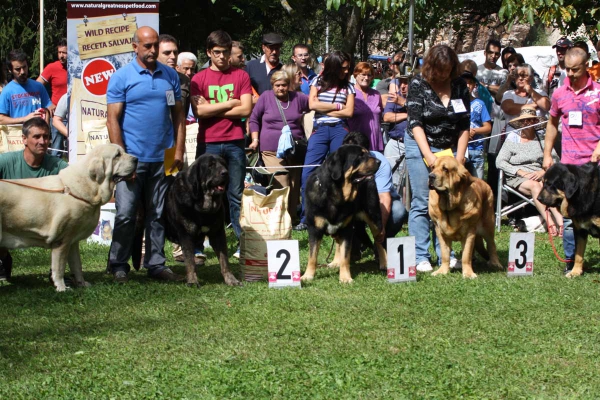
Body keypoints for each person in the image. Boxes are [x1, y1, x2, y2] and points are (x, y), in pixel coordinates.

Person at [106, 26, 186, 283]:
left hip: (163, 159)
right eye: (147, 46)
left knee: (158, 213)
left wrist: (179, 150)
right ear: (135, 47)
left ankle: (156, 265)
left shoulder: (170, 76)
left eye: (155, 46)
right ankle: (118, 264)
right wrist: (122, 161)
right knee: (126, 214)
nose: (152, 51)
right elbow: (112, 121)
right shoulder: (121, 78)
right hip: (132, 160)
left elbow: (178, 117)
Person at [405, 44, 470, 272]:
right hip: (420, 144)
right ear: (431, 66)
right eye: (440, 69)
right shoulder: (418, 84)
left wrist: (459, 157)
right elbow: (415, 123)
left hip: (449, 149)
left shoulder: (460, 85)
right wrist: (428, 156)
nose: (443, 74)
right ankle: (420, 255)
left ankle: (445, 253)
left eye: (448, 69)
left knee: (448, 200)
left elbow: (464, 124)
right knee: (423, 201)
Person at [191, 30, 252, 258]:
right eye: (217, 52)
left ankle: (243, 245)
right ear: (209, 52)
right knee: (201, 194)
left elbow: (246, 109)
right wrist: (231, 103)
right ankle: (197, 247)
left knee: (235, 195)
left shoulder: (241, 76)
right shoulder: (199, 79)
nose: (222, 57)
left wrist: (214, 108)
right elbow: (200, 111)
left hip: (235, 142)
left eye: (226, 52)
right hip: (208, 144)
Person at [543, 47, 600, 274]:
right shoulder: (559, 94)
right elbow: (551, 125)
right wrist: (547, 154)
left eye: (575, 69)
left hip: (595, 165)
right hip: (569, 165)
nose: (570, 73)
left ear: (586, 66)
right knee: (570, 216)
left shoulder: (598, 93)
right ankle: (572, 264)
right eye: (567, 69)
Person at [0, 118, 68, 281]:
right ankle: (2, 260)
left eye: (46, 137)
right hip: (11, 219)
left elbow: (78, 181)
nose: (42, 141)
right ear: (24, 139)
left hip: (45, 221)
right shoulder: (6, 161)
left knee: (70, 223)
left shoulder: (58, 166)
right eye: (36, 137)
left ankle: (57, 271)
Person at [295, 50, 355, 231]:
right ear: (335, 67)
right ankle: (307, 216)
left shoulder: (349, 87)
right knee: (308, 172)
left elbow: (349, 112)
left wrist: (325, 109)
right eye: (344, 68)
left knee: (339, 172)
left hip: (339, 129)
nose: (347, 71)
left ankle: (338, 215)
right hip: (319, 130)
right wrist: (337, 106)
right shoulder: (316, 82)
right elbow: (312, 105)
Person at [248, 70, 309, 224]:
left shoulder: (298, 98)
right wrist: (255, 139)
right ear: (272, 85)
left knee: (294, 183)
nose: (281, 88)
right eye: (277, 85)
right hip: (271, 149)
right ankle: (280, 217)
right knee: (281, 180)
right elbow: (254, 119)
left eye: (284, 85)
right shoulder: (265, 98)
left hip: (294, 148)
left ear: (288, 85)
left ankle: (292, 218)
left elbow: (313, 106)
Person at [496, 106, 562, 236]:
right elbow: (499, 161)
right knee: (535, 185)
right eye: (524, 121)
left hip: (541, 176)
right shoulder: (511, 141)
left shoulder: (543, 141)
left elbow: (555, 160)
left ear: (535, 122)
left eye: (531, 120)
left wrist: (542, 172)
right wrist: (520, 172)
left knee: (545, 186)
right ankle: (551, 222)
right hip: (518, 178)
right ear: (520, 123)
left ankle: (560, 222)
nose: (527, 123)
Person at [342, 131, 406, 240]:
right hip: (353, 204)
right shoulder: (340, 162)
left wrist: (380, 229)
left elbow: (384, 197)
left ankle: (383, 242)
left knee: (398, 211)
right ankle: (353, 243)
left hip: (376, 202)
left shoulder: (380, 162)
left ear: (367, 152)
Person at [0, 49, 52, 125]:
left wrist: (46, 130)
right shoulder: (7, 91)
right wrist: (24, 119)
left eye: (24, 67)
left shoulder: (38, 86)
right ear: (10, 70)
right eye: (18, 69)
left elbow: (47, 109)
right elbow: (1, 119)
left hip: (38, 134)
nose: (22, 72)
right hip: (17, 134)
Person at [37, 39, 68, 155]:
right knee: (56, 149)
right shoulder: (51, 67)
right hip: (57, 115)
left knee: (75, 147)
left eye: (64, 53)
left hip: (75, 113)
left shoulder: (76, 67)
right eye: (59, 52)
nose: (61, 56)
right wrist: (48, 103)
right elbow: (37, 86)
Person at [501, 64, 550, 137]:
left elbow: (546, 106)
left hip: (537, 136)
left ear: (531, 78)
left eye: (524, 75)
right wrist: (533, 105)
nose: (520, 78)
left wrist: (530, 91)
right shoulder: (509, 93)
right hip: (514, 136)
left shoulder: (540, 93)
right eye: (517, 75)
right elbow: (508, 108)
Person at [461, 70, 491, 179]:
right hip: (459, 150)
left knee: (477, 184)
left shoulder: (480, 104)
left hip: (476, 149)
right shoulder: (454, 103)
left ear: (474, 85)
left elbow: (488, 127)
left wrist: (475, 131)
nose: (467, 85)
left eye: (470, 82)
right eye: (464, 82)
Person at [382, 73, 409, 194]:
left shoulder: (420, 98)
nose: (403, 86)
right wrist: (408, 115)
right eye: (400, 82)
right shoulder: (394, 97)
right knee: (393, 181)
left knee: (410, 184)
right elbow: (387, 117)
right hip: (395, 144)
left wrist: (404, 103)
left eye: (406, 82)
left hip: (414, 145)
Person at [348, 62, 383, 151]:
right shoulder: (349, 93)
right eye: (363, 74)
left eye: (369, 75)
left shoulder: (376, 95)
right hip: (356, 141)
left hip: (374, 141)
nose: (366, 78)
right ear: (355, 75)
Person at [158, 34, 191, 115]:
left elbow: (183, 113)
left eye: (175, 52)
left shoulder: (185, 80)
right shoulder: (146, 78)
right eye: (167, 53)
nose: (173, 56)